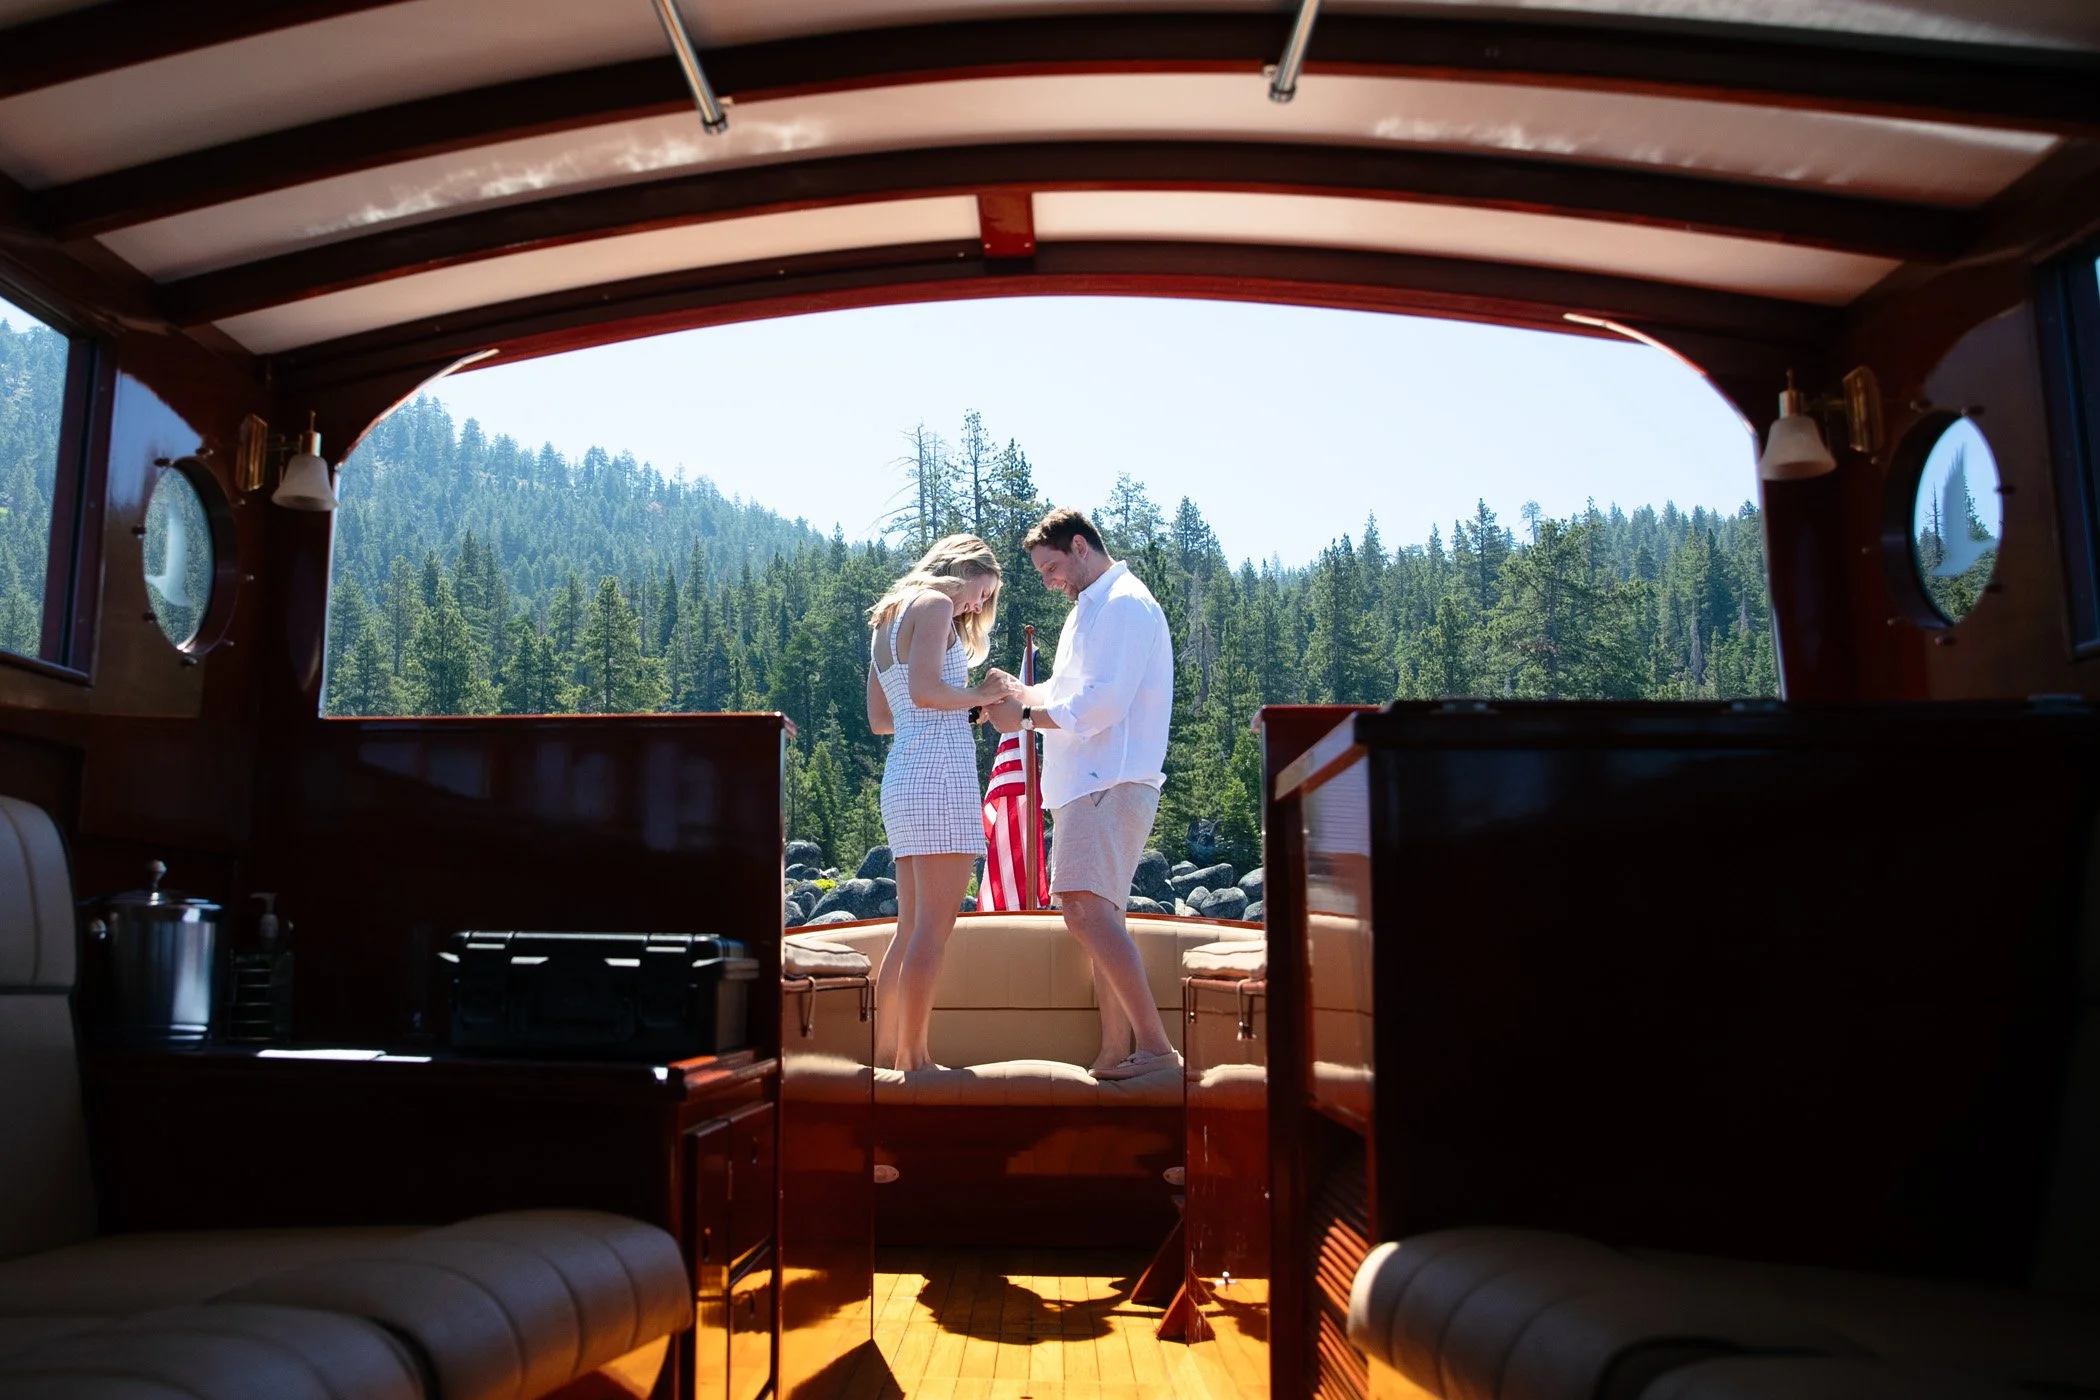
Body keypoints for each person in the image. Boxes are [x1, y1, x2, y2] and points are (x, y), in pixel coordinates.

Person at [985, 508, 1178, 1080]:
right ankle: (1117, 1053)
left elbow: (1101, 705)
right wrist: (1014, 694)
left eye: (1050, 567)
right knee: (1098, 916)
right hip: (1091, 786)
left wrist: (1022, 715)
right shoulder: (1090, 612)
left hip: (1107, 782)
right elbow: (1069, 691)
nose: (1048, 580)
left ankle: (1156, 1049)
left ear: (1080, 547)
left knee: (1085, 913)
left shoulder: (1123, 605)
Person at [865, 534, 1018, 1072]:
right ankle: (916, 1059)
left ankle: (886, 1055)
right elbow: (929, 690)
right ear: (965, 567)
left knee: (909, 929)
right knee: (933, 929)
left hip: (903, 774)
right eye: (984, 590)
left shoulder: (887, 619)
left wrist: (961, 707)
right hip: (940, 779)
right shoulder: (933, 603)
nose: (979, 605)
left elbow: (884, 719)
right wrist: (985, 694)